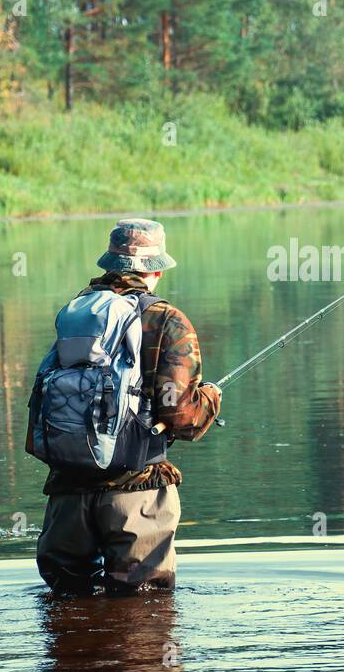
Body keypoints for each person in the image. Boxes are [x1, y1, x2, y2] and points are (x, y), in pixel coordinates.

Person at [34, 218, 221, 595]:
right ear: (155, 269)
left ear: (110, 264)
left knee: (66, 604)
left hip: (68, 494)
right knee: (144, 613)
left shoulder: (77, 313)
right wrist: (211, 400)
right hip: (137, 493)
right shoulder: (167, 321)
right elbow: (181, 416)